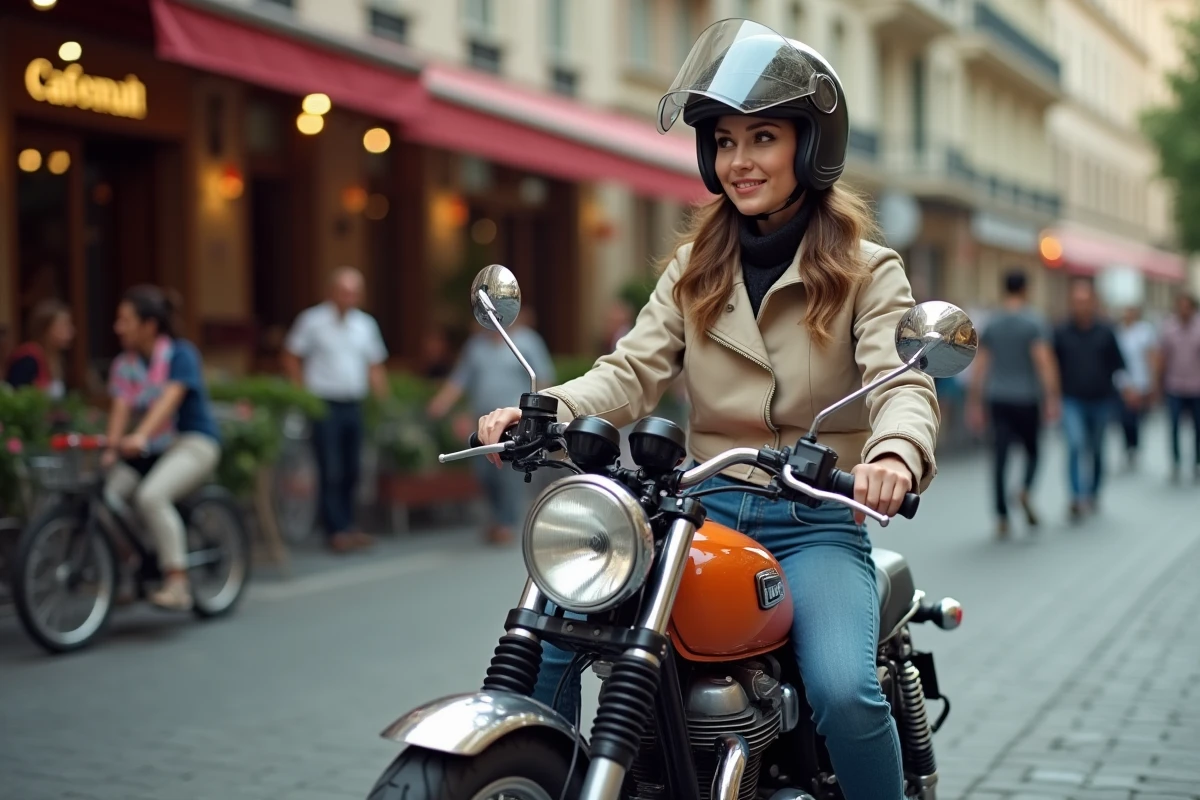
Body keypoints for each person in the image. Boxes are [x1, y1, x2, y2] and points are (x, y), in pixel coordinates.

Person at [475, 21, 939, 800]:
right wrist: (545, 408)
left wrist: (892, 455)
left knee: (843, 691)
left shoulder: (866, 270)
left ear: (809, 146)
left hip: (815, 516)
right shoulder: (696, 266)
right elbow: (631, 371)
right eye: (724, 141)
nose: (740, 160)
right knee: (553, 630)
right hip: (700, 509)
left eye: (762, 137)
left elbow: (901, 381)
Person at [103, 286, 221, 611]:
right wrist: (112, 447)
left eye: (125, 320)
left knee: (151, 496)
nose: (118, 327)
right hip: (152, 449)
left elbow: (169, 401)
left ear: (149, 325)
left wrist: (140, 434)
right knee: (107, 498)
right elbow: (120, 408)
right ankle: (130, 568)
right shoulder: (124, 365)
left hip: (192, 442)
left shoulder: (180, 354)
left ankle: (177, 582)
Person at [283, 267, 390, 553]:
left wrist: (383, 398)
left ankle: (348, 525)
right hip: (324, 404)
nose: (350, 297)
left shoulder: (365, 324)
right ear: (332, 292)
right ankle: (335, 529)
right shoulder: (312, 321)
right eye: (345, 292)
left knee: (353, 468)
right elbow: (292, 355)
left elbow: (374, 364)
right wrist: (301, 392)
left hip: (353, 403)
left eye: (355, 292)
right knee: (330, 467)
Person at [427, 310, 555, 545]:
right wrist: (441, 403)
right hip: (484, 422)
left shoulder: (527, 342)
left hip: (514, 424)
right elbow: (460, 380)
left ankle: (505, 522)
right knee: (485, 472)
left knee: (508, 473)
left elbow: (543, 379)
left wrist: (536, 415)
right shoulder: (475, 347)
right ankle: (498, 517)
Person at [967, 270, 1061, 538]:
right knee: (1033, 451)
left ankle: (1001, 517)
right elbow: (1044, 362)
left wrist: (974, 402)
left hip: (997, 397)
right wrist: (1052, 397)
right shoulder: (1034, 322)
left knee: (999, 457)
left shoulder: (993, 323)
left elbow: (981, 365)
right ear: (1025, 289)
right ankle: (1025, 489)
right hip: (1027, 398)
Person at [1052, 279, 1125, 520]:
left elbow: (1118, 365)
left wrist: (1127, 389)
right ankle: (1076, 496)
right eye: (1076, 301)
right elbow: (1052, 367)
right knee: (1075, 444)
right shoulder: (1061, 331)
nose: (1080, 305)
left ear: (1093, 302)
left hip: (1101, 400)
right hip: (1071, 399)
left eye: (1084, 301)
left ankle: (1093, 491)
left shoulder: (1106, 331)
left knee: (1095, 448)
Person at [1157, 292, 1200, 483]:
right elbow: (1162, 358)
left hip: (1196, 386)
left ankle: (1197, 462)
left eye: (1186, 306)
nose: (1183, 310)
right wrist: (1158, 384)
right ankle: (1176, 463)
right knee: (1173, 426)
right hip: (1174, 385)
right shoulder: (1169, 328)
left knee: (1198, 428)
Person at [1114, 305, 1159, 470]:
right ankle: (1128, 446)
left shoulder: (1144, 331)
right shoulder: (1117, 332)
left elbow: (1151, 356)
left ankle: (1134, 446)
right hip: (1120, 381)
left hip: (1140, 381)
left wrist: (1153, 382)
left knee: (1134, 417)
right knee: (1123, 417)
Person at [5, 298, 75, 398]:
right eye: (64, 325)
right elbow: (16, 397)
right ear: (46, 329)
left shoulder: (58, 359)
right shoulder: (27, 360)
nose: (71, 331)